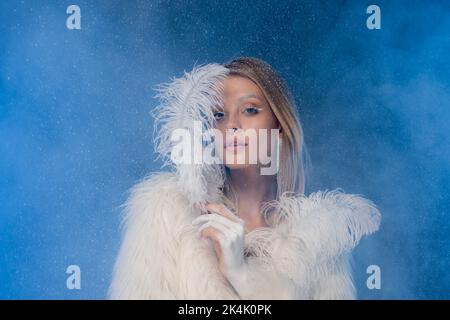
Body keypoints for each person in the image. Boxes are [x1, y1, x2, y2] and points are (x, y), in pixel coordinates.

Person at [108, 57, 381, 299]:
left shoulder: (319, 242)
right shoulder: (167, 210)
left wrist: (241, 275)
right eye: (219, 115)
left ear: (280, 128)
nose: (231, 125)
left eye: (250, 110)